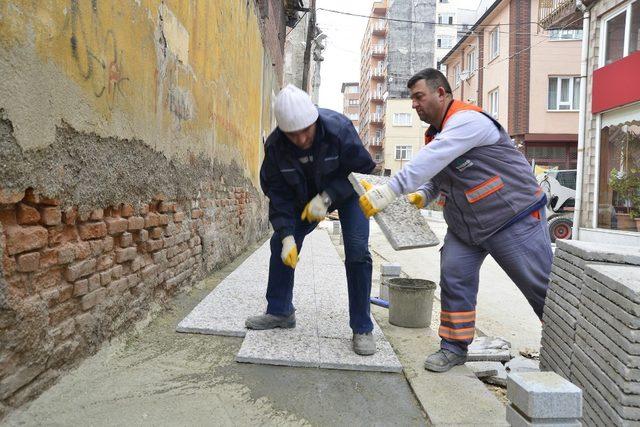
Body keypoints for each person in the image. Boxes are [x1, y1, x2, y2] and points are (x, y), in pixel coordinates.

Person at [358, 68, 552, 372]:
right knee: (454, 277)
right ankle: (453, 347)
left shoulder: (467, 121)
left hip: (513, 219)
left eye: (419, 96)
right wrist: (422, 194)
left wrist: (390, 191)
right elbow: (440, 174)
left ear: (441, 93)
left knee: (540, 287)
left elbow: (432, 160)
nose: (414, 104)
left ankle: (570, 352)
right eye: (411, 99)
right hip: (467, 228)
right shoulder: (438, 133)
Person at [245, 84, 378, 356]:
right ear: (283, 131)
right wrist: (287, 236)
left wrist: (328, 198)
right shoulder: (276, 147)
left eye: (307, 130)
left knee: (357, 251)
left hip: (347, 194)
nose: (302, 138)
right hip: (302, 199)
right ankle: (280, 311)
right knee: (280, 245)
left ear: (315, 120)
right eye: (293, 134)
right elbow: (278, 195)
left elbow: (363, 171)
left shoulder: (338, 129)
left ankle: (362, 327)